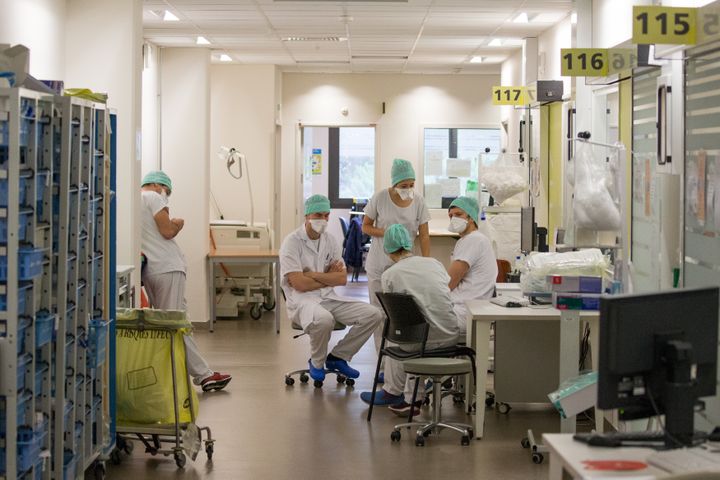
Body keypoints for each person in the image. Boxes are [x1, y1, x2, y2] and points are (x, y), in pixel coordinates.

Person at [141, 171, 232, 392]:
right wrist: (178, 223)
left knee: (176, 323)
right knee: (176, 324)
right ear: (156, 185)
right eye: (167, 191)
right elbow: (168, 231)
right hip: (167, 267)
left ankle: (203, 374)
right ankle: (193, 376)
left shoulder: (131, 202)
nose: (166, 196)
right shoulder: (153, 197)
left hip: (150, 270)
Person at [279, 194, 383, 382]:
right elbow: (300, 285)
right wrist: (328, 277)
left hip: (329, 297)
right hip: (302, 301)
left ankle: (338, 357)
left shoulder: (330, 240)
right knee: (324, 319)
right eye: (319, 215)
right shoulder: (291, 243)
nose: (324, 220)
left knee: (374, 314)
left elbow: (342, 278)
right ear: (307, 216)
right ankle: (317, 362)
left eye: (327, 215)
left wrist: (313, 275)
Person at [360, 224, 459, 415]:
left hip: (419, 342)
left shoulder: (389, 275)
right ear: (409, 243)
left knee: (396, 333)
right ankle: (412, 398)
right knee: (417, 331)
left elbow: (396, 314)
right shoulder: (434, 263)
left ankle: (392, 391)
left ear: (386, 248)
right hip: (450, 335)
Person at [362, 159, 431, 369]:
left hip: (406, 265)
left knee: (404, 313)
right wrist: (388, 233)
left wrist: (426, 264)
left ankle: (402, 364)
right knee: (380, 313)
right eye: (403, 186)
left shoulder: (418, 201)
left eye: (411, 185)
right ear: (394, 184)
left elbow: (424, 236)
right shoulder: (380, 198)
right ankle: (383, 366)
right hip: (380, 263)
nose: (408, 189)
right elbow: (365, 227)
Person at [446, 196, 498, 334]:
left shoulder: (474, 240)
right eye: (450, 216)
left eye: (458, 215)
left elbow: (449, 283)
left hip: (463, 310)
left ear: (471, 217)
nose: (453, 219)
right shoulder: (468, 240)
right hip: (464, 307)